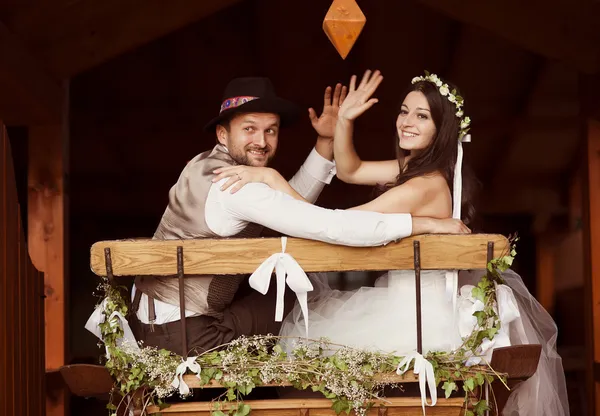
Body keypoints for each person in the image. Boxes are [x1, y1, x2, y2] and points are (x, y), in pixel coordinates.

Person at [213, 70, 569, 415]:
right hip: (405, 304)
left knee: (307, 363)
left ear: (441, 128)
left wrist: (270, 177)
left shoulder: (424, 184)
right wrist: (344, 122)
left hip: (414, 318)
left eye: (422, 116)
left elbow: (339, 224)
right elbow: (350, 170)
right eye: (403, 111)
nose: (407, 122)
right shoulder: (415, 171)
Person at [120, 76, 470, 358]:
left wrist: (322, 146)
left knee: (294, 292)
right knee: (305, 303)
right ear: (222, 133)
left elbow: (288, 207)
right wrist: (422, 224)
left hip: (152, 323)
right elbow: (329, 226)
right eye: (250, 129)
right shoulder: (237, 186)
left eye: (270, 130)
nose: (262, 141)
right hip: (189, 334)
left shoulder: (204, 164)